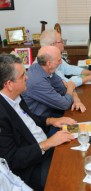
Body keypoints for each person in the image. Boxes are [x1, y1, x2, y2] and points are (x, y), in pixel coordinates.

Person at [0, 54, 75, 190]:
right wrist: (47, 144)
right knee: (72, 177)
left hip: (45, 148)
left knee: (78, 149)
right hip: (32, 169)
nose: (27, 78)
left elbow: (32, 119)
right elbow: (11, 160)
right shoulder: (2, 115)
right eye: (23, 76)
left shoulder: (16, 96)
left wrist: (53, 120)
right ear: (9, 84)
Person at [22, 46, 86, 118]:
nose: (61, 62)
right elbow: (65, 104)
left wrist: (76, 99)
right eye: (59, 60)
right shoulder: (37, 81)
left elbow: (63, 88)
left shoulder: (44, 68)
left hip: (52, 111)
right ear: (49, 63)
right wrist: (71, 87)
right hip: (42, 122)